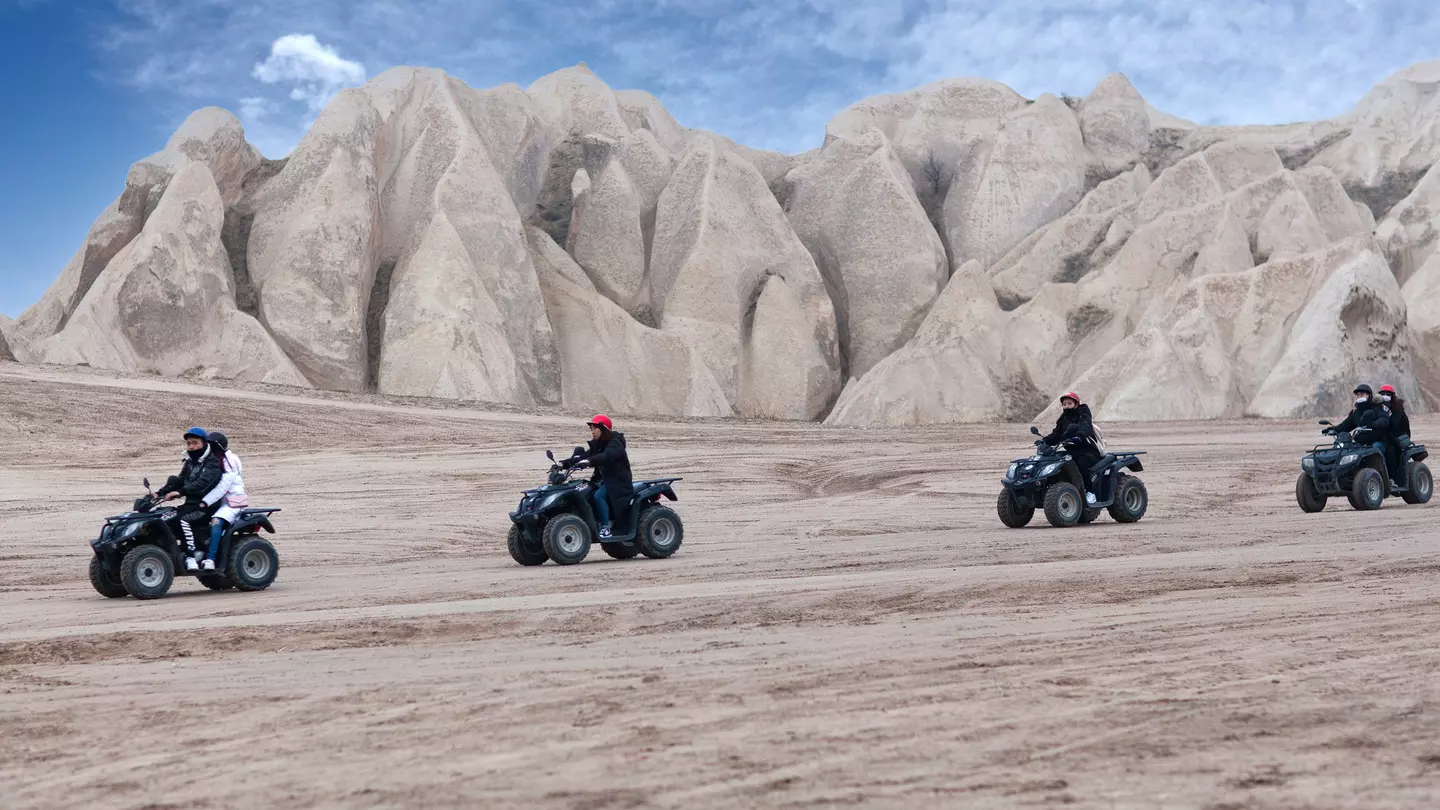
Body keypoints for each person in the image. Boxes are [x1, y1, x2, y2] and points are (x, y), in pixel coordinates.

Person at [156, 427, 224, 571]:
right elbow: (179, 480)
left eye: (195, 443)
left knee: (183, 520)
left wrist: (180, 492)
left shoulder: (212, 463)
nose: (191, 446)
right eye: (189, 443)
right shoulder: (190, 462)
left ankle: (190, 557)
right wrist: (158, 493)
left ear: (204, 443)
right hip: (191, 504)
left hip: (206, 507)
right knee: (164, 518)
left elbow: (202, 484)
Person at [562, 414, 632, 539]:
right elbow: (584, 456)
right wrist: (563, 464)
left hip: (617, 482)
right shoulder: (599, 444)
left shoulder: (615, 443)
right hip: (603, 480)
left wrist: (589, 462)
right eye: (591, 429)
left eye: (595, 428)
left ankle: (606, 527)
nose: (592, 431)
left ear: (603, 428)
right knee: (583, 491)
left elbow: (606, 456)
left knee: (598, 496)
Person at [198, 431, 248, 572]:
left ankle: (211, 559)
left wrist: (205, 502)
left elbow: (222, 487)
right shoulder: (212, 460)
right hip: (220, 503)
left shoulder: (230, 461)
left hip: (233, 502)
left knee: (216, 521)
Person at [1042, 392, 1104, 504]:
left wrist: (1079, 436)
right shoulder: (1063, 419)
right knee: (1056, 461)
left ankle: (1089, 492)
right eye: (1064, 404)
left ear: (1076, 404)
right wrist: (1044, 441)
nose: (1066, 406)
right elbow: (1057, 434)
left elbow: (1086, 427)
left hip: (1088, 451)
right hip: (1072, 452)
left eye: (1069, 403)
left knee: (1080, 464)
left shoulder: (1083, 413)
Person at [1376, 385, 1412, 485]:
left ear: (1392, 396)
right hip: (1382, 438)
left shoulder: (1397, 409)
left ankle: (1391, 478)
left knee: (1390, 451)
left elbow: (1395, 425)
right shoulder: (1377, 407)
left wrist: (1387, 413)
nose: (1385, 396)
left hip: (1397, 439)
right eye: (1383, 394)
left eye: (1388, 394)